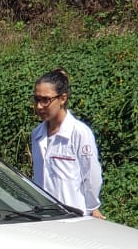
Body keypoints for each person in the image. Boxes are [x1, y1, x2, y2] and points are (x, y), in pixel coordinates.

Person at [29, 68, 104, 218]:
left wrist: (92, 208)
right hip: (43, 217)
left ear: (62, 98)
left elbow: (91, 176)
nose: (39, 106)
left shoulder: (79, 133)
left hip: (73, 217)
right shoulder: (37, 134)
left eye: (46, 100)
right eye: (37, 99)